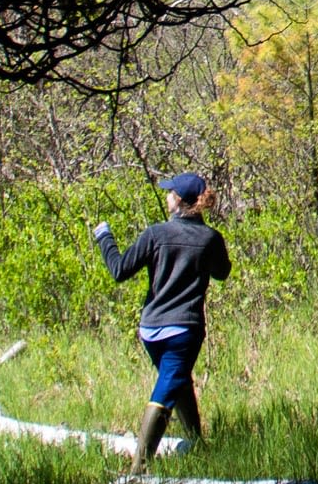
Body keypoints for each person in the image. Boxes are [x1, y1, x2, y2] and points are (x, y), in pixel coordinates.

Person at [93, 171, 232, 462]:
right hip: (184, 331)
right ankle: (139, 468)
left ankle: (197, 446)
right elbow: (222, 272)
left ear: (178, 201)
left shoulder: (155, 234)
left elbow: (119, 270)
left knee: (176, 380)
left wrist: (104, 237)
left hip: (151, 330)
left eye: (170, 192)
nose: (167, 196)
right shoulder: (210, 238)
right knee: (168, 387)